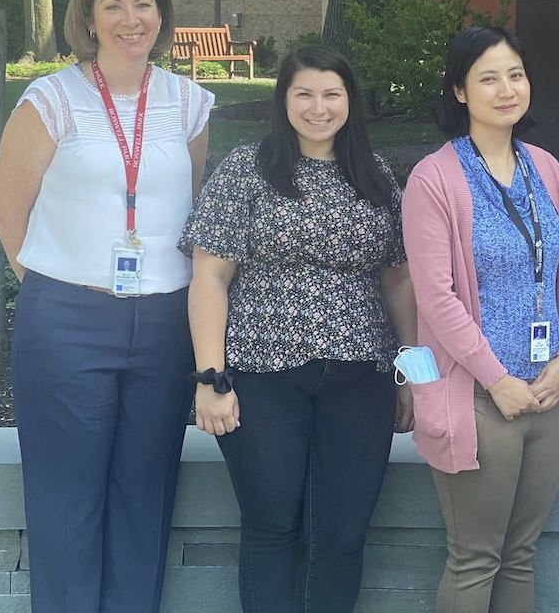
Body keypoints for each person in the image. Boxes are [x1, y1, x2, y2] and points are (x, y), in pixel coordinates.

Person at [0, 0, 213, 613]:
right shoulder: (52, 98)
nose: (129, 18)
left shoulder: (190, 104)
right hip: (67, 321)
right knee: (66, 502)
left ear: (161, 15)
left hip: (165, 322)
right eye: (112, 5)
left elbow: (192, 208)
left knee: (145, 498)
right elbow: (8, 212)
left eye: (142, 3)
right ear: (88, 17)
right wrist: (65, 284)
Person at [178, 45, 415, 612]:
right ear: (283, 98)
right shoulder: (247, 169)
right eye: (303, 93)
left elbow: (400, 282)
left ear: (349, 102)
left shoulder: (376, 176)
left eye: (331, 94)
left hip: (362, 379)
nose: (318, 107)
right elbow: (209, 276)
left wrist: (412, 373)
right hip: (263, 378)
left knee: (342, 534)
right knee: (271, 527)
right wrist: (210, 378)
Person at [401, 25, 559, 613]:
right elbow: (436, 297)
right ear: (459, 91)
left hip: (548, 396)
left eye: (516, 74)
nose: (507, 89)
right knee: (475, 557)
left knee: (521, 555)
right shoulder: (435, 179)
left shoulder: (547, 169)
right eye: (488, 78)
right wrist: (496, 379)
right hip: (481, 399)